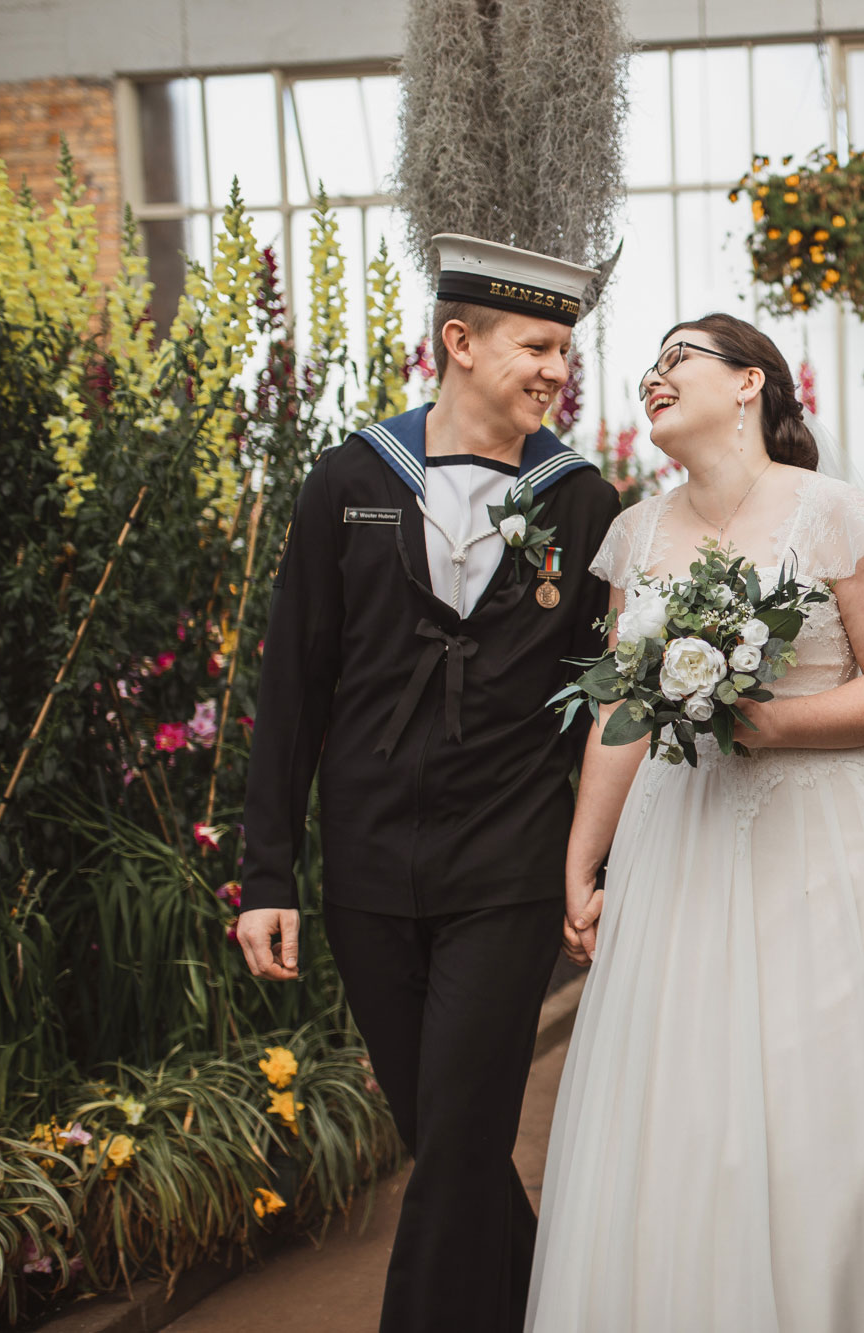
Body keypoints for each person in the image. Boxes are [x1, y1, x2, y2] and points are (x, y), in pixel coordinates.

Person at [525, 313, 864, 1333]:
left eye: (679, 358)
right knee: (683, 1084)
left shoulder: (836, 514)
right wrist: (583, 862)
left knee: (828, 1074)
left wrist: (770, 723)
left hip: (828, 840)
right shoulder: (636, 533)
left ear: (751, 382)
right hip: (678, 847)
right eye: (650, 367)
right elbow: (619, 717)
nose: (654, 378)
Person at [235, 234, 622, 1333]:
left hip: (506, 865)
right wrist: (270, 872)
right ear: (458, 341)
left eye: (565, 351)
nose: (557, 371)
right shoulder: (351, 479)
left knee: (455, 1134)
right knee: (447, 1134)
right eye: (536, 346)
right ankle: (536, 1304)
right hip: (366, 869)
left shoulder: (578, 498)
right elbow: (294, 688)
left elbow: (608, 699)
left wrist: (593, 860)